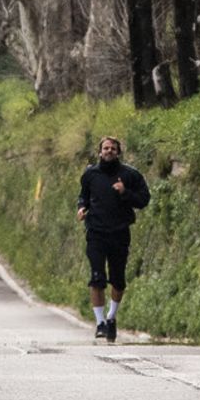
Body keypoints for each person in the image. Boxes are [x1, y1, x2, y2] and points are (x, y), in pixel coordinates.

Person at [76, 135, 150, 343]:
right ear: (100, 152)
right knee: (97, 277)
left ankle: (111, 317)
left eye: (113, 149)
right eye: (105, 148)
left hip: (119, 233)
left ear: (118, 152)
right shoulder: (90, 174)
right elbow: (83, 196)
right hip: (96, 233)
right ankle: (100, 323)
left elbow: (144, 200)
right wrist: (82, 208)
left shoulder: (130, 175)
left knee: (118, 280)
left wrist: (125, 192)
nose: (109, 151)